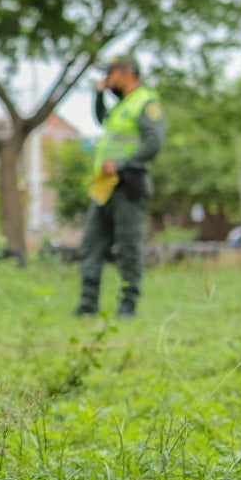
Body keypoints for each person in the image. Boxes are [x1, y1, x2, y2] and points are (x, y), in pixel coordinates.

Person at [74, 54, 167, 317]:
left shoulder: (146, 102)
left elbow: (154, 142)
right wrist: (99, 94)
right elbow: (102, 119)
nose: (107, 78)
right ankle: (87, 305)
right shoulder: (121, 105)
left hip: (129, 184)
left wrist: (123, 163)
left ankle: (128, 305)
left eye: (111, 73)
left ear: (128, 72)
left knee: (129, 247)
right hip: (104, 186)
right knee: (91, 246)